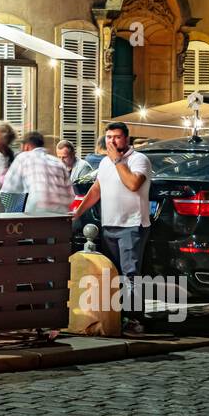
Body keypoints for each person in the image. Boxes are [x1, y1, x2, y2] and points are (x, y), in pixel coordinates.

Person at [71, 121, 153, 336]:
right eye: (108, 137)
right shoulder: (106, 163)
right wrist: (77, 212)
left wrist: (118, 161)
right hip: (109, 225)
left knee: (131, 275)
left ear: (126, 139)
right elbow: (97, 189)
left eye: (116, 137)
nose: (112, 141)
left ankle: (136, 319)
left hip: (132, 225)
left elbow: (133, 184)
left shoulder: (139, 160)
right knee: (114, 274)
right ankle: (118, 317)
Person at [2, 131, 74, 213]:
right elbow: (71, 196)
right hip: (61, 215)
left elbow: (8, 190)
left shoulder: (23, 158)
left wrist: (5, 212)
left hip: (36, 214)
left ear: (26, 146)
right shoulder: (58, 162)